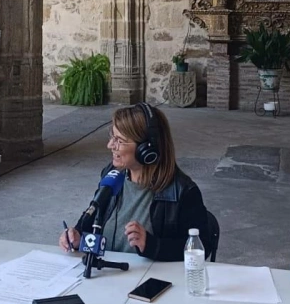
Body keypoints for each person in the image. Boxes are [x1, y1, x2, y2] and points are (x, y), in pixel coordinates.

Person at [58, 103, 213, 262]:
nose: (110, 145)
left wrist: (152, 245)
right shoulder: (111, 175)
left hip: (150, 275)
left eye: (119, 140)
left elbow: (202, 247)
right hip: (105, 271)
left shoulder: (182, 191)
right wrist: (77, 236)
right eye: (112, 137)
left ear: (145, 150)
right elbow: (93, 218)